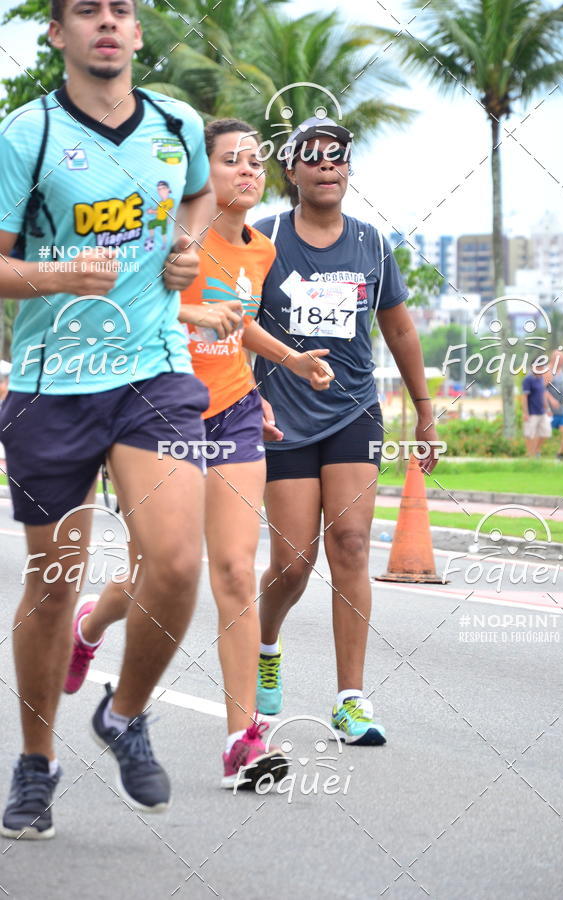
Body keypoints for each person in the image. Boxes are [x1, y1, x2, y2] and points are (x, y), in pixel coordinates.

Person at [61, 118, 335, 788]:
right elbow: (127, 304)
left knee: (238, 572)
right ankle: (89, 626)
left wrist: (291, 360)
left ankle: (244, 742)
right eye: (231, 161)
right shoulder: (168, 237)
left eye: (255, 162)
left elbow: (238, 322)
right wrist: (192, 317)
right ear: (200, 172)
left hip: (237, 413)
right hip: (160, 411)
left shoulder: (263, 252)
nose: (248, 171)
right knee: (155, 571)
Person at [0, 0, 215, 838]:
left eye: (121, 9)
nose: (107, 22)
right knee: (54, 589)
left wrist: (188, 249)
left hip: (155, 367)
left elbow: (195, 201)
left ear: (137, 31)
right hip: (55, 381)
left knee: (175, 558)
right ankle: (36, 762)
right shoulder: (28, 136)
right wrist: (54, 279)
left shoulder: (177, 122)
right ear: (57, 33)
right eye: (86, 10)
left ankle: (123, 714)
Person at [252, 117, 440, 745]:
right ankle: (267, 645)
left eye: (338, 157)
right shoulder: (266, 237)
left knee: (352, 545)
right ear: (293, 171)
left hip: (353, 409)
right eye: (313, 156)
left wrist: (425, 407)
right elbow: (231, 322)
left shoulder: (371, 244)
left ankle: (350, 700)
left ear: (348, 170)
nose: (326, 165)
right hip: (283, 415)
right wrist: (248, 395)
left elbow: (401, 330)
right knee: (293, 561)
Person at [545, 349, 563, 461]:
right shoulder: (548, 371)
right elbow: (541, 389)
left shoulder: (561, 371)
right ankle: (533, 455)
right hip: (550, 409)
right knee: (543, 434)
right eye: (560, 359)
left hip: (561, 407)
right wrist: (551, 400)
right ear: (553, 358)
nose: (562, 361)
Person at [522, 362, 552, 457]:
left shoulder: (541, 379)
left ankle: (536, 450)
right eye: (539, 367)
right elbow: (524, 397)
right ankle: (530, 454)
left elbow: (543, 395)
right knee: (530, 434)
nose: (541, 369)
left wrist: (547, 409)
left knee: (546, 433)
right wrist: (525, 412)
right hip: (532, 412)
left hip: (542, 411)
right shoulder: (528, 379)